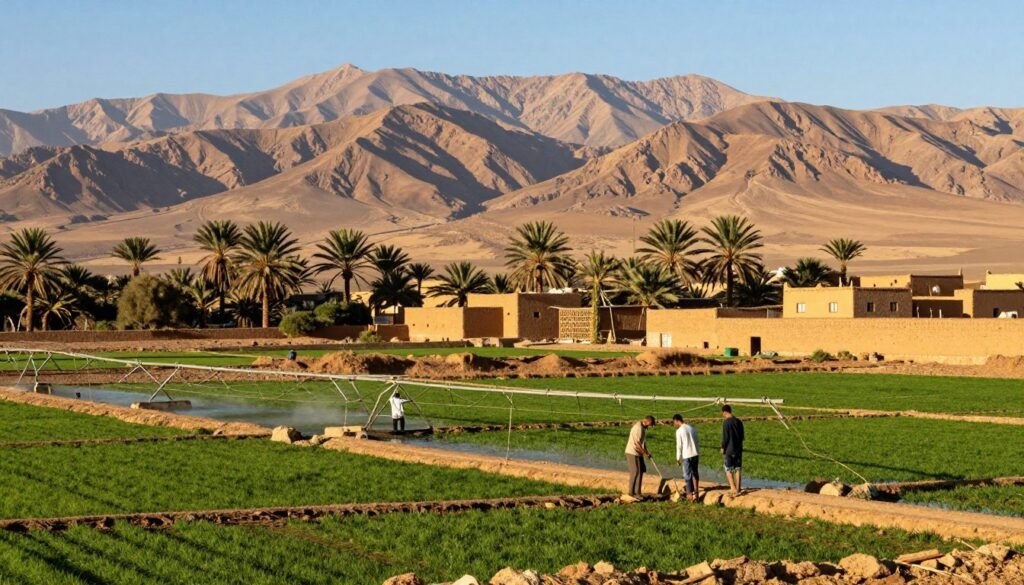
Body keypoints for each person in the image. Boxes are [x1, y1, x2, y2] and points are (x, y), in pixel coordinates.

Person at [624, 415, 655, 499]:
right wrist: (645, 454)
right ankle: (631, 493)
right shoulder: (638, 428)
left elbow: (643, 443)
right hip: (632, 452)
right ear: (647, 422)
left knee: (641, 470)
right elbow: (637, 444)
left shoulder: (643, 429)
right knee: (635, 471)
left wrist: (647, 452)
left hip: (638, 453)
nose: (650, 426)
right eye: (650, 424)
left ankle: (638, 493)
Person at [673, 413, 700, 501]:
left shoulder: (679, 431)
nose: (674, 424)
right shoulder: (692, 428)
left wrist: (678, 458)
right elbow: (696, 441)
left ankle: (689, 495)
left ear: (677, 421)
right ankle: (696, 492)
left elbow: (679, 446)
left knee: (687, 475)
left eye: (674, 422)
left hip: (687, 455)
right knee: (695, 473)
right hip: (695, 454)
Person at [720, 404, 745, 494]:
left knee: (728, 468)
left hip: (729, 450)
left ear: (725, 412)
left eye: (722, 413)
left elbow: (725, 437)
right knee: (737, 468)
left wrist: (723, 447)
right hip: (738, 449)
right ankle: (738, 488)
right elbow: (742, 437)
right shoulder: (739, 421)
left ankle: (733, 488)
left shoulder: (726, 422)